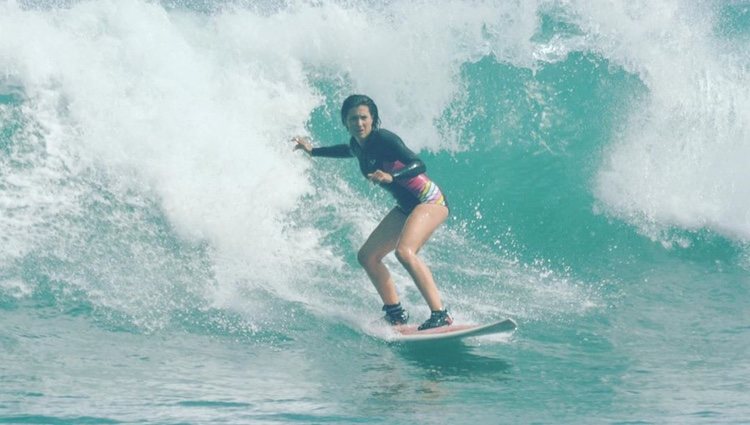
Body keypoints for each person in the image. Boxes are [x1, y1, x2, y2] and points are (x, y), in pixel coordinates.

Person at [292, 94, 453, 330]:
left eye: (363, 118)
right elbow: (346, 151)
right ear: (345, 122)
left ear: (373, 119)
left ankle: (440, 315)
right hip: (406, 206)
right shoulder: (358, 145)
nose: (359, 123)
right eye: (353, 119)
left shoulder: (384, 139)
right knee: (367, 256)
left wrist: (392, 176)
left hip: (429, 200)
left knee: (405, 252)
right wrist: (312, 151)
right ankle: (395, 314)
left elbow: (418, 164)